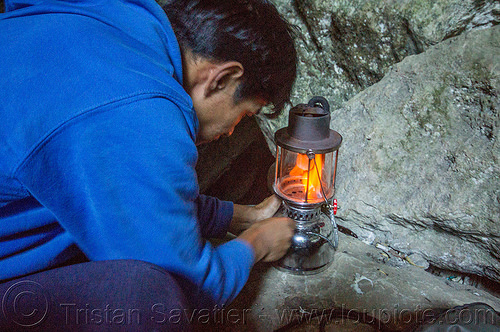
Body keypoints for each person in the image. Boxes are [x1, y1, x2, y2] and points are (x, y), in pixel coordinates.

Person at [0, 0, 297, 330]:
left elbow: (121, 190)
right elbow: (189, 286)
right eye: (244, 115)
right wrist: (256, 243)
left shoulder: (110, 21)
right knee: (147, 295)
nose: (230, 130)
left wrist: (236, 216)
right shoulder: (138, 114)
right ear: (221, 78)